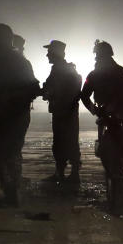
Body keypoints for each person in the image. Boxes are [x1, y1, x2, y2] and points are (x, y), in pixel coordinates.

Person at [0, 23, 39, 207]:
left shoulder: (15, 62)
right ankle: (7, 191)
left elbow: (32, 88)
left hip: (10, 116)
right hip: (1, 115)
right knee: (3, 155)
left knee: (8, 154)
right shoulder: (0, 61)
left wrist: (6, 103)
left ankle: (11, 194)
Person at [41, 40, 82, 184]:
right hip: (63, 112)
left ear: (56, 53)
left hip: (65, 113)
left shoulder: (62, 70)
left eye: (49, 51)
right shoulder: (60, 69)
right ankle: (63, 173)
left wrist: (48, 92)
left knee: (66, 142)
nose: (47, 55)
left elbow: (65, 91)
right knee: (63, 142)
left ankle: (69, 174)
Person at [80, 40, 123, 118]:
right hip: (105, 117)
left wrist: (97, 111)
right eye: (97, 54)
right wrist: (97, 111)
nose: (96, 57)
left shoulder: (120, 72)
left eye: (98, 54)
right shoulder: (94, 75)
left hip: (120, 117)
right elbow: (84, 96)